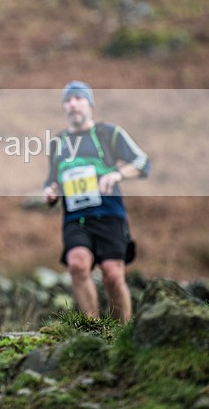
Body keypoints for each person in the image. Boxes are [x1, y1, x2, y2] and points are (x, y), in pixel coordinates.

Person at [43, 81, 150, 323]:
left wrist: (118, 174)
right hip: (75, 218)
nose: (73, 104)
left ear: (90, 104)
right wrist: (50, 192)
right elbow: (52, 180)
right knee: (77, 265)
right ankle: (93, 329)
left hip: (110, 215)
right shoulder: (57, 143)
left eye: (78, 99)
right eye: (68, 100)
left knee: (112, 275)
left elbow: (143, 163)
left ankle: (120, 333)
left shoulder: (109, 134)